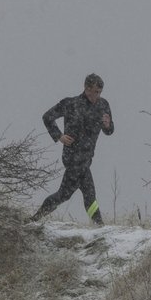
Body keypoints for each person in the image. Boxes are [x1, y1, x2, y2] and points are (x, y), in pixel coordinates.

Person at [27, 73, 114, 225]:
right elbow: (47, 117)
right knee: (89, 193)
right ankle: (100, 226)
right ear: (86, 88)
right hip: (72, 157)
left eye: (99, 92)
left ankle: (33, 220)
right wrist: (59, 136)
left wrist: (108, 125)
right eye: (94, 92)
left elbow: (109, 131)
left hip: (87, 157)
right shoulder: (71, 103)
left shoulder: (103, 105)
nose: (96, 95)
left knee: (64, 195)